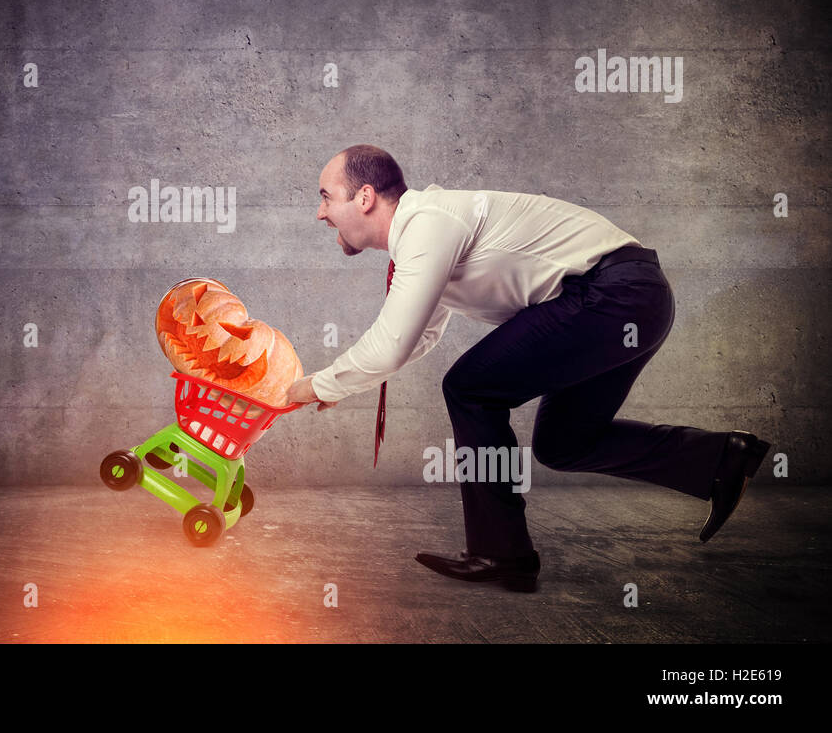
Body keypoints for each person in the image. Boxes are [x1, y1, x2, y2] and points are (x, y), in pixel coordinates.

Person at [285, 145, 772, 592]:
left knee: (470, 388)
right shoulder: (425, 233)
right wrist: (337, 386)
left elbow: (391, 345)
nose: (321, 211)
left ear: (365, 196)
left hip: (612, 295)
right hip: (628, 301)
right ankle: (719, 459)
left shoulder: (428, 224)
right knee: (564, 444)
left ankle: (501, 554)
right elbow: (418, 337)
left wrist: (309, 387)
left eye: (327, 197)